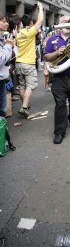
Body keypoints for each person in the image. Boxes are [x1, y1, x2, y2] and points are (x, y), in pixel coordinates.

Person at [43, 16, 70, 144]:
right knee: (60, 104)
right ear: (59, 24)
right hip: (59, 78)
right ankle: (59, 132)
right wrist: (57, 53)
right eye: (64, 22)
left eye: (69, 22)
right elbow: (46, 56)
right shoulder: (52, 39)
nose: (67, 24)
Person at [15, 2, 44, 118]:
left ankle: (24, 106)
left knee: (22, 86)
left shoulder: (19, 34)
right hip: (28, 63)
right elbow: (40, 21)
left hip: (18, 63)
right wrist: (40, 8)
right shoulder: (30, 32)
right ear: (31, 23)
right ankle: (24, 107)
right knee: (30, 85)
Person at [0, 14, 16, 151]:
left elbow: (11, 56)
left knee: (1, 113)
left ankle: (4, 141)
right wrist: (8, 47)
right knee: (1, 112)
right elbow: (1, 59)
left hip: (2, 79)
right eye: (3, 21)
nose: (6, 23)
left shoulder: (3, 38)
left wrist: (11, 46)